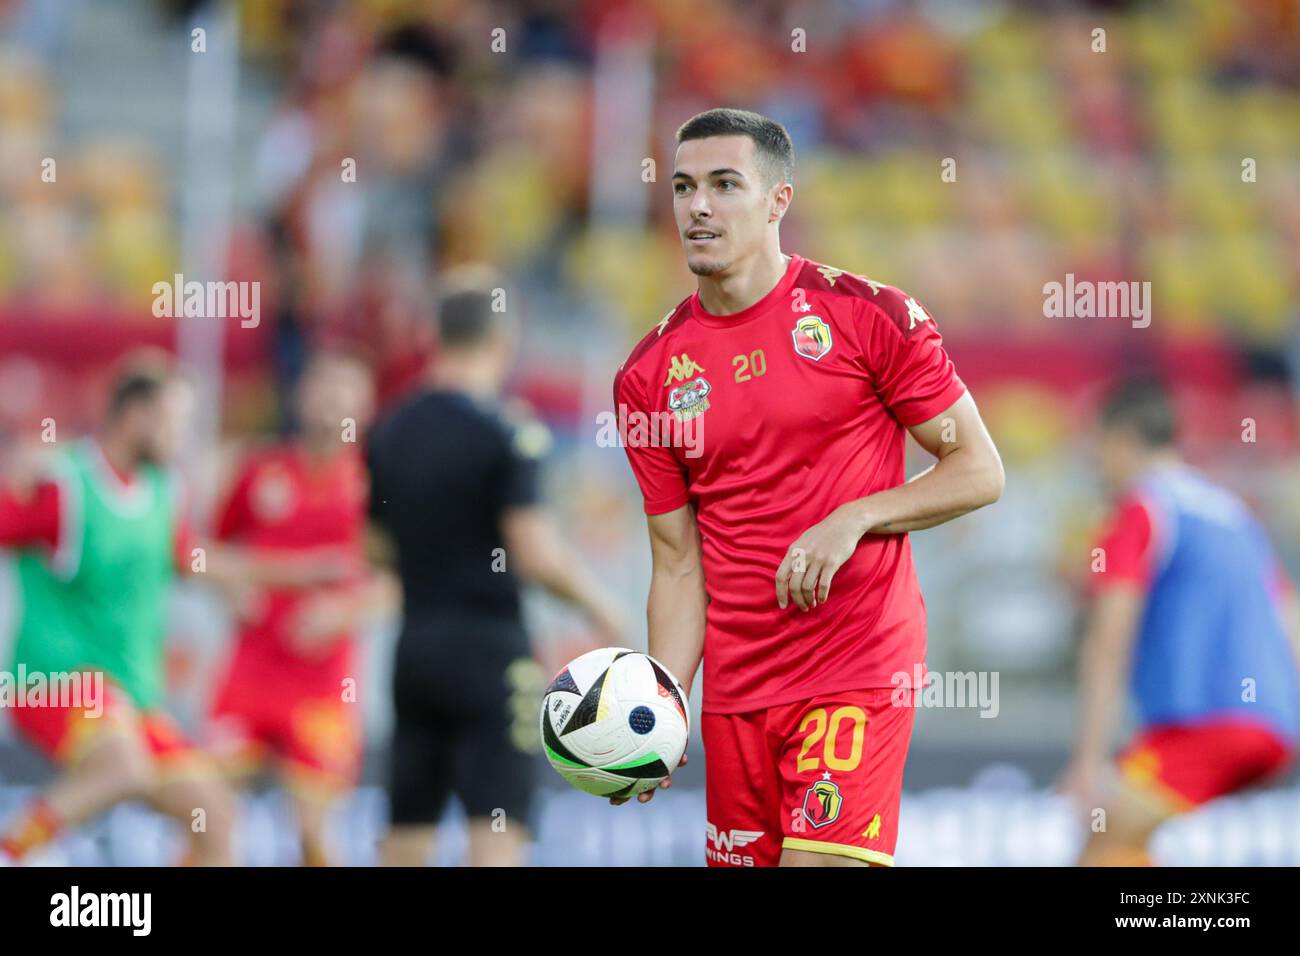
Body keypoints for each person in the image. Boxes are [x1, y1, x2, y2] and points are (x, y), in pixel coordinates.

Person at [612, 108, 1004, 867]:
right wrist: (662, 705)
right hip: (737, 691)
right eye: (684, 187)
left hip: (855, 665)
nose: (699, 206)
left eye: (726, 185)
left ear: (777, 202)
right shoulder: (648, 376)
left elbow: (978, 470)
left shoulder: (866, 316)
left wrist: (856, 517)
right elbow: (676, 563)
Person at [0, 355, 344, 865]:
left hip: (131, 701)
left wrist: (302, 572)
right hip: (55, 681)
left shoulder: (162, 492)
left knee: (216, 817)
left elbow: (200, 561)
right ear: (135, 415)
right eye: (173, 421)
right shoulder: (62, 484)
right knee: (124, 768)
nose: (180, 437)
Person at [366, 265, 625, 867]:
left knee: (406, 832)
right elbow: (532, 553)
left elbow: (372, 547)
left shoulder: (389, 430)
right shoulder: (507, 431)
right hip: (489, 653)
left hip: (413, 649)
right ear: (502, 340)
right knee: (496, 838)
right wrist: (600, 605)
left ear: (434, 334)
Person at [1057, 376, 1300, 866]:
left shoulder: (1139, 508)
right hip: (1273, 724)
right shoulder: (1235, 514)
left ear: (1121, 439)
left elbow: (1109, 636)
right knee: (1124, 843)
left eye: (1097, 447)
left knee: (1102, 842)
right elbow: (1289, 618)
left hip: (1203, 724)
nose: (1095, 463)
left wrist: (1088, 759)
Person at [204, 348, 396, 866]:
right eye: (323, 386)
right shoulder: (258, 470)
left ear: (367, 406)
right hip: (248, 675)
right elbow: (203, 554)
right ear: (301, 396)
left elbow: (399, 581)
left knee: (312, 830)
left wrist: (345, 613)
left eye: (346, 390)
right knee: (206, 811)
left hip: (322, 686)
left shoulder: (377, 485)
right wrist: (231, 589)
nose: (332, 401)